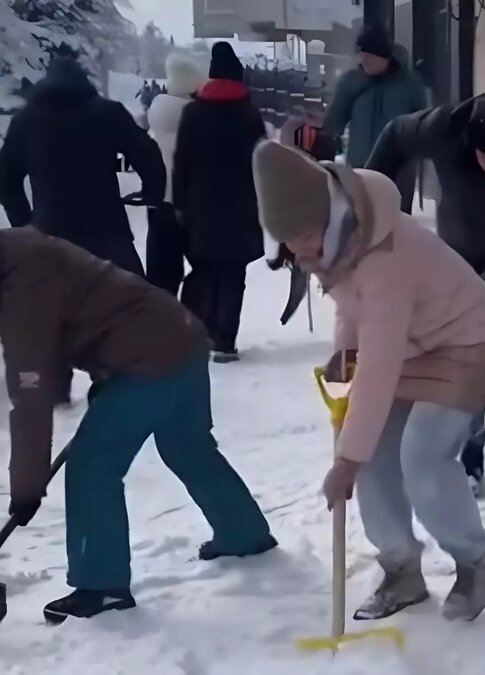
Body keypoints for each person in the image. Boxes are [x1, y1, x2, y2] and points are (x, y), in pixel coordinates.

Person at [252, 141, 485, 622]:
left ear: (327, 213)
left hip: (465, 342)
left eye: (305, 235)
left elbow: (379, 363)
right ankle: (401, 569)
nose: (301, 250)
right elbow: (354, 306)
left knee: (422, 457)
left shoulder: (383, 254)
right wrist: (344, 349)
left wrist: (345, 460)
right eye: (288, 240)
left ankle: (477, 565)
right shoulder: (338, 235)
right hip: (411, 341)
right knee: (375, 457)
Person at [0, 228, 276, 623]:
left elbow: (31, 393)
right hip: (181, 335)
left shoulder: (22, 287)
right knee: (188, 447)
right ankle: (244, 533)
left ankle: (101, 585)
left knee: (93, 467)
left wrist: (27, 487)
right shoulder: (21, 248)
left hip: (148, 361)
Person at [367, 93, 485, 493]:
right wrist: (371, 198)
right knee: (469, 359)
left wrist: (480, 295)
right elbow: (395, 135)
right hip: (462, 256)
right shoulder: (442, 129)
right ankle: (470, 455)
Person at [0, 56, 166, 405]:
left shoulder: (27, 120)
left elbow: (6, 178)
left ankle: (56, 386)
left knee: (49, 310)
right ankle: (114, 378)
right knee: (116, 305)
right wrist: (152, 192)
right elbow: (147, 152)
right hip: (107, 229)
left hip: (49, 231)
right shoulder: (106, 112)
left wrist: (23, 224)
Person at [174, 42, 267, 363]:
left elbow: (181, 162)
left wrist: (181, 203)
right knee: (233, 273)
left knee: (204, 270)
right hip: (241, 206)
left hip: (201, 206)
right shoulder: (250, 115)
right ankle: (225, 340)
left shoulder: (192, 113)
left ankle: (199, 333)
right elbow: (262, 163)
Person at [324, 26, 427, 212]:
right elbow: (334, 122)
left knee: (396, 222)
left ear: (385, 56)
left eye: (370, 55)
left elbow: (422, 124)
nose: (364, 59)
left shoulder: (410, 85)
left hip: (398, 171)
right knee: (361, 222)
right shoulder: (351, 81)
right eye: (362, 54)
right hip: (360, 168)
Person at [146, 53, 207, 296]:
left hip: (160, 203)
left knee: (162, 278)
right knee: (204, 272)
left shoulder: (157, 113)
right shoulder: (199, 117)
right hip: (192, 204)